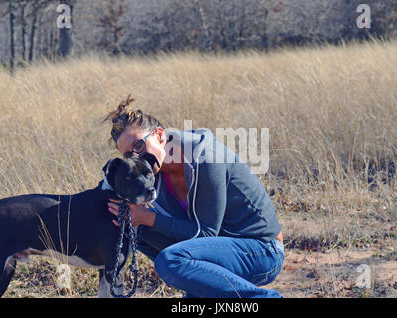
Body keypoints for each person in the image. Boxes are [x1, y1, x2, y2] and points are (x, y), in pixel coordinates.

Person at [104, 96, 284, 298]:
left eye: (138, 146)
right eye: (128, 155)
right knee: (134, 230)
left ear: (160, 136)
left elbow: (206, 234)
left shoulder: (206, 157)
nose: (136, 157)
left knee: (170, 260)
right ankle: (201, 287)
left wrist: (148, 217)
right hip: (216, 251)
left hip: (262, 250)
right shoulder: (151, 174)